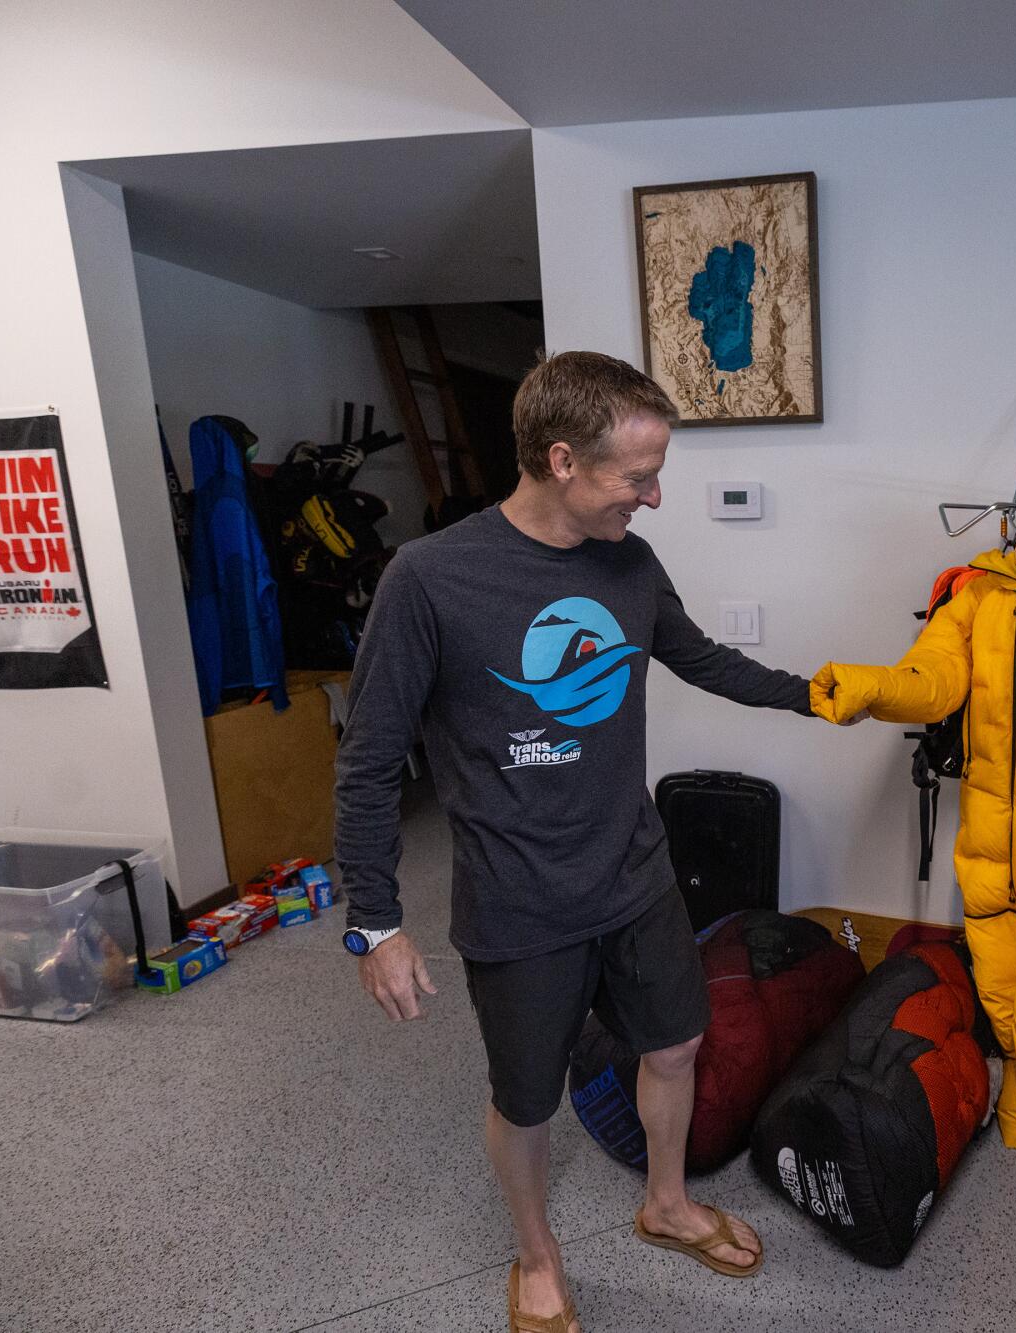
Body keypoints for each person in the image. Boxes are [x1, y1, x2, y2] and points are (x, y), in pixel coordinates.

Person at [335, 351, 826, 1332]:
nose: (653, 495)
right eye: (635, 476)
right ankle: (536, 1253)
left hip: (633, 874)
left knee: (677, 1041)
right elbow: (369, 757)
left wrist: (828, 695)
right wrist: (374, 922)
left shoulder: (628, 564)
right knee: (525, 1101)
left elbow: (702, 658)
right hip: (517, 901)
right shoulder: (430, 578)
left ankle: (666, 1201)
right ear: (561, 459)